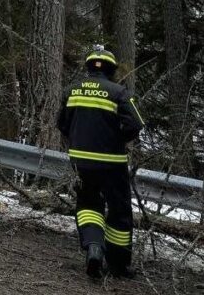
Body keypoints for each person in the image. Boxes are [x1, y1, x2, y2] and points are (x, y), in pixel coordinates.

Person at [57, 46, 145, 280]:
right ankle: (118, 265)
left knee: (88, 205)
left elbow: (62, 124)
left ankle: (94, 247)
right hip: (112, 163)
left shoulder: (71, 90)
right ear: (112, 69)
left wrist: (78, 140)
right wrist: (118, 139)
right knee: (119, 212)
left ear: (88, 67)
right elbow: (136, 124)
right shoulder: (118, 92)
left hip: (81, 162)